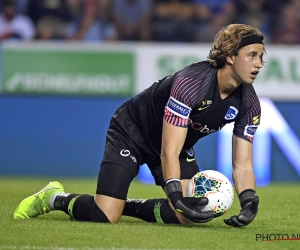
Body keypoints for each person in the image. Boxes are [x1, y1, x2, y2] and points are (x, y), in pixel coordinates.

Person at [14, 23, 264, 227]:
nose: (259, 64)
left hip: (174, 145)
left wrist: (249, 199)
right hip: (131, 132)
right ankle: (53, 198)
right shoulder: (191, 84)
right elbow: (168, 152)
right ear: (230, 56)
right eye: (252, 55)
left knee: (188, 215)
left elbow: (242, 164)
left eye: (261, 57)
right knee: (105, 215)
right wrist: (174, 196)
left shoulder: (249, 103)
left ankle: (126, 204)